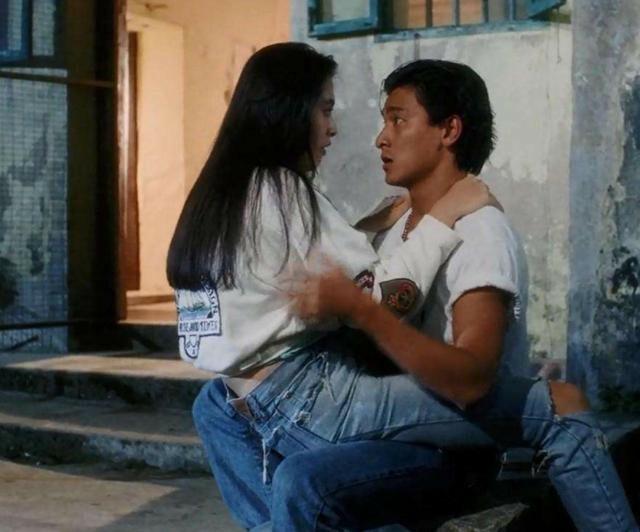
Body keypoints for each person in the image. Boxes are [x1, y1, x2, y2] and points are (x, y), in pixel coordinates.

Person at [170, 44, 637, 532]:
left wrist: (363, 305)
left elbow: (470, 379)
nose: (377, 138)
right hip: (349, 405)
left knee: (561, 405)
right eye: (327, 110)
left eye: (397, 120)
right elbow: (356, 290)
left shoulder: (479, 230)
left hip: (446, 438)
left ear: (448, 131)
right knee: (219, 409)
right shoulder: (384, 224)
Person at [167, 42, 493, 530]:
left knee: (216, 410)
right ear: (289, 111)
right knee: (511, 412)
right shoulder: (282, 189)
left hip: (245, 393)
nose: (334, 128)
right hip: (309, 395)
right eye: (325, 109)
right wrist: (444, 215)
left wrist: (357, 231)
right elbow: (382, 302)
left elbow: (273, 270)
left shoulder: (221, 192)